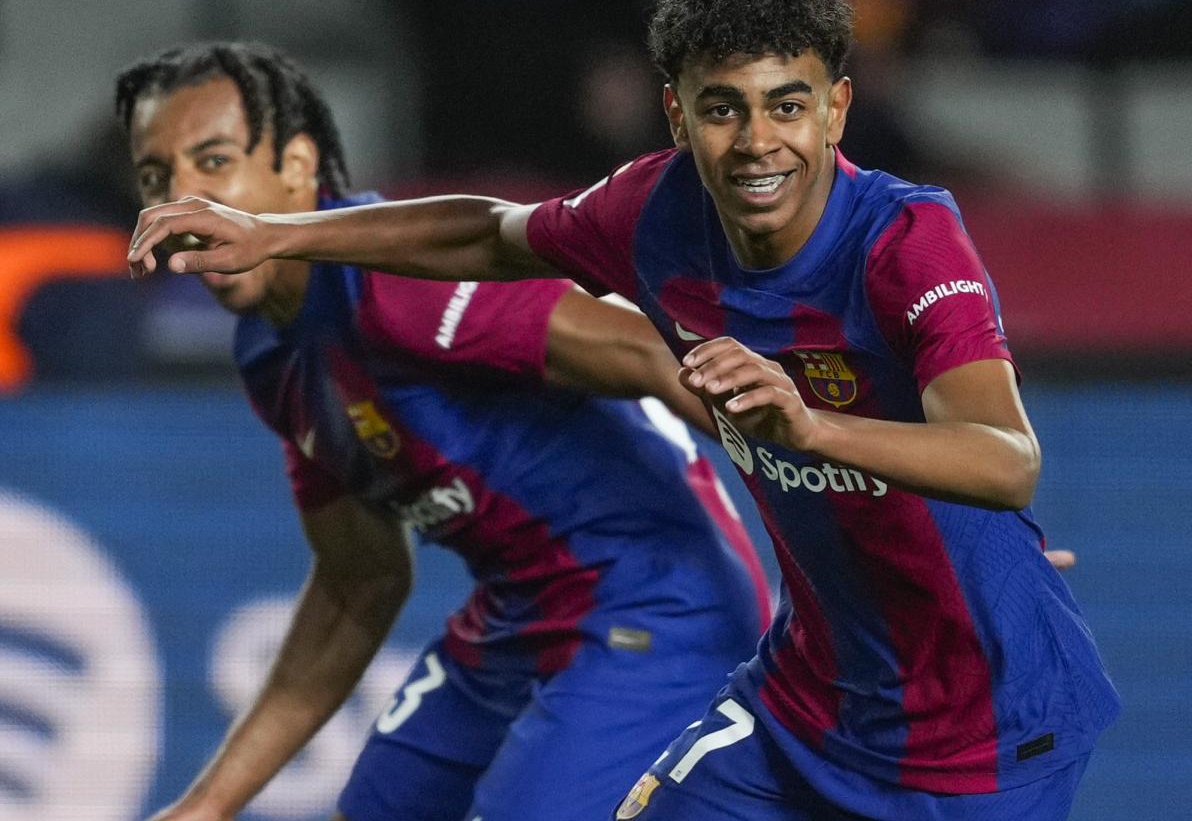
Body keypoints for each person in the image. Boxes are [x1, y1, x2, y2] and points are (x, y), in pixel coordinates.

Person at [127, 0, 1119, 820]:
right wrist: (273, 234)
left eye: (786, 105)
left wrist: (838, 450)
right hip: (803, 694)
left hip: (982, 725)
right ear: (675, 113)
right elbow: (488, 234)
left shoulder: (905, 241)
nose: (755, 142)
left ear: (835, 110)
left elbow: (1004, 459)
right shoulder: (649, 212)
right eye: (722, 108)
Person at [115, 41, 771, 821]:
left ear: (295, 165)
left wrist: (835, 499)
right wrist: (207, 807)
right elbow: (359, 582)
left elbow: (647, 353)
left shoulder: (397, 278)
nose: (183, 204)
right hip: (520, 618)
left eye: (213, 162)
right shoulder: (270, 355)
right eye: (158, 179)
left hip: (658, 607)